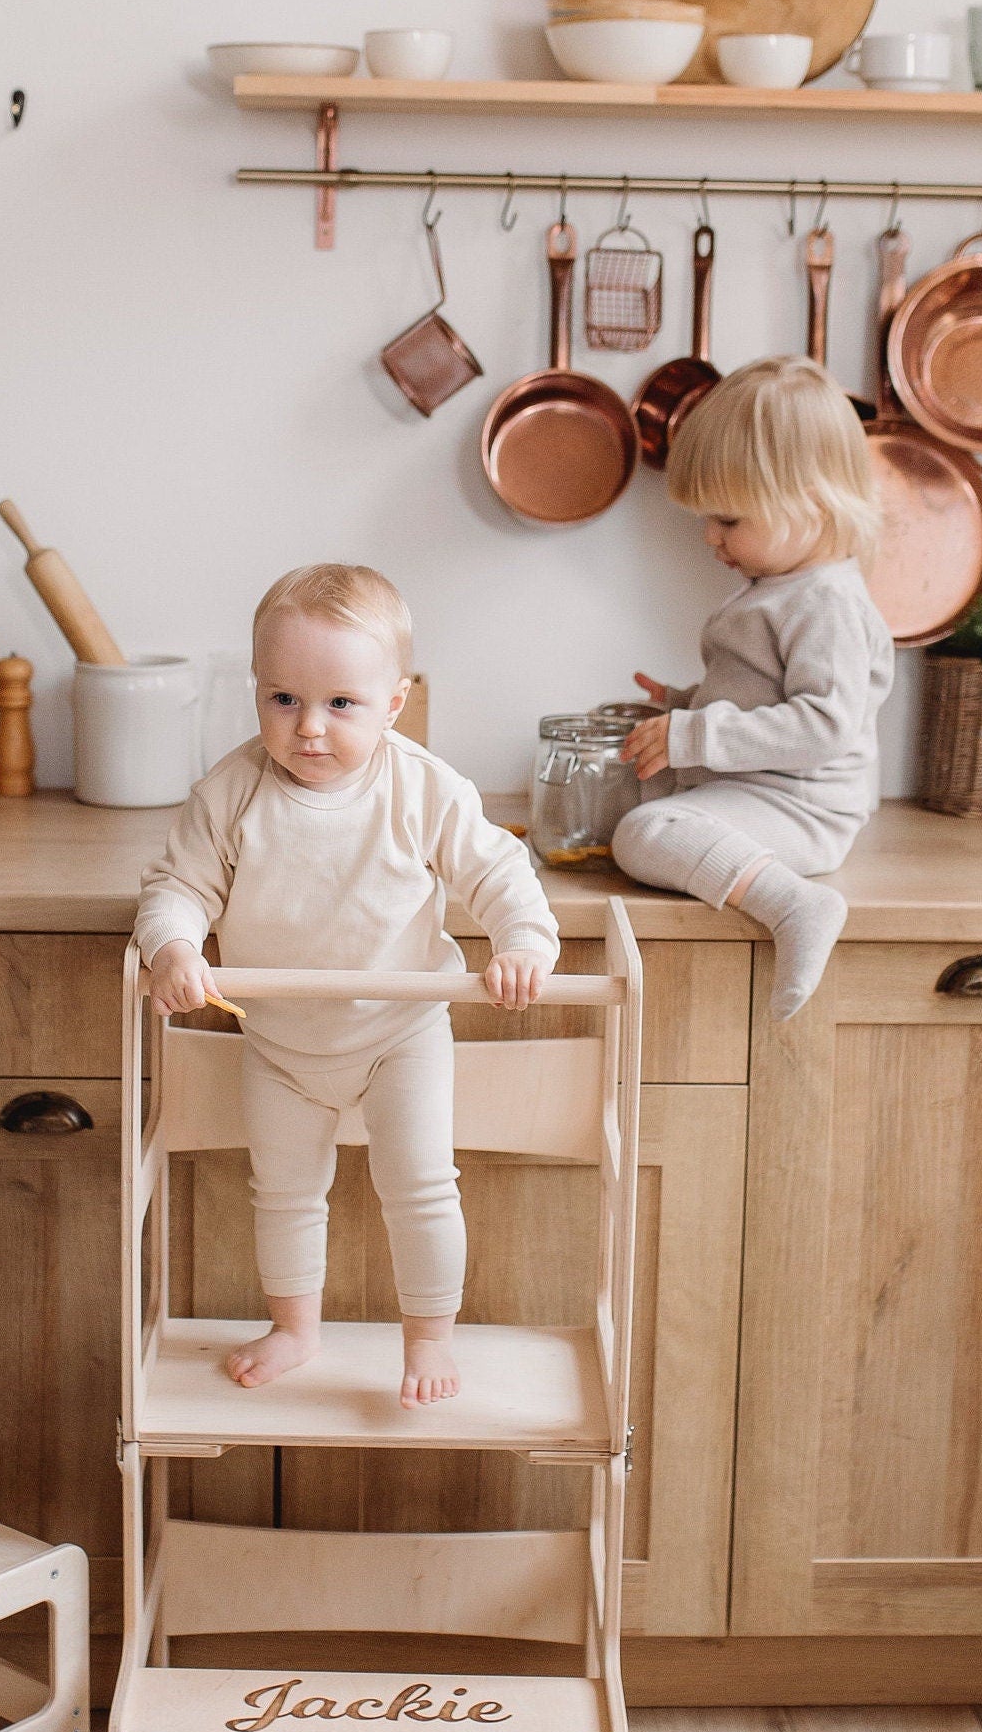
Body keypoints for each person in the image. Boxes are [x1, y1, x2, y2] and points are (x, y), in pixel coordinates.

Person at [135, 563, 557, 1406]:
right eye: (283, 700)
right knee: (285, 1193)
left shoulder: (422, 786)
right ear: (256, 692)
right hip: (279, 1044)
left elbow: (500, 870)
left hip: (400, 1036)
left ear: (394, 703)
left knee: (421, 1184)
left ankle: (430, 1337)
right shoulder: (232, 792)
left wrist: (523, 939)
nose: (310, 729)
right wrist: (174, 947)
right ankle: (296, 1327)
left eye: (341, 704)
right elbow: (176, 887)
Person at [614, 355, 893, 1017]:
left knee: (643, 834)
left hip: (803, 806)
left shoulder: (828, 601)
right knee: (612, 775)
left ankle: (798, 905)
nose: (711, 538)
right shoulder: (783, 589)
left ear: (813, 503)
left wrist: (694, 733)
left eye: (730, 520)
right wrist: (683, 705)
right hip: (757, 785)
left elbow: (824, 727)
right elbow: (766, 700)